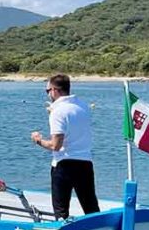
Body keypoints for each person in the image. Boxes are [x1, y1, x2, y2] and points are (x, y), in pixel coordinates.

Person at [30, 73, 100, 219]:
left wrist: (38, 140)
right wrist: (53, 112)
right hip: (85, 163)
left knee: (61, 212)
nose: (48, 94)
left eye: (47, 91)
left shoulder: (58, 112)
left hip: (64, 165)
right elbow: (72, 123)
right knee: (91, 207)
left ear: (55, 90)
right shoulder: (83, 106)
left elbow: (56, 145)